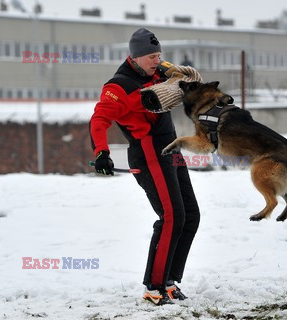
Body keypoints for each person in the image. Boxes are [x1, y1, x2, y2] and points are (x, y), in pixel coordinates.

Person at [89, 28, 200, 306]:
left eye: (159, 55)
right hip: (148, 153)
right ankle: (154, 287)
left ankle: (171, 282)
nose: (157, 60)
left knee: (191, 215)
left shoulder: (158, 74)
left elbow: (179, 78)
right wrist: (102, 152)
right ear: (135, 57)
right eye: (152, 56)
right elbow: (98, 121)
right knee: (171, 216)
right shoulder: (118, 88)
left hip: (171, 149)